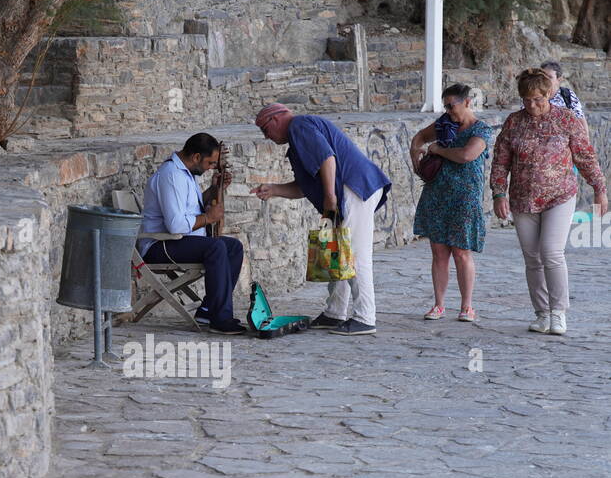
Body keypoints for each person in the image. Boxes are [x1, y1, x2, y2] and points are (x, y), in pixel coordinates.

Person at [251, 103, 391, 335]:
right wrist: (274, 189)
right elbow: (304, 186)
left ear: (276, 119)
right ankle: (334, 313)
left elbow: (327, 159)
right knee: (338, 253)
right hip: (349, 190)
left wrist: (330, 197)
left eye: (265, 130)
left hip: (352, 189)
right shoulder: (298, 139)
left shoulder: (300, 126)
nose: (267, 136)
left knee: (354, 254)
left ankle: (366, 317)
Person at [490, 68, 607, 335]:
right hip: (522, 198)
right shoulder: (513, 123)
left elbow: (585, 157)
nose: (532, 105)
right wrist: (498, 193)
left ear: (549, 94)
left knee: (551, 252)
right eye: (527, 100)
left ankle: (558, 312)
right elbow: (500, 161)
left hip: (559, 195)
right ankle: (542, 313)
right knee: (532, 258)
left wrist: (599, 188)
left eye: (538, 99)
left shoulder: (566, 120)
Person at [137, 133, 246, 334]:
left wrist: (213, 190)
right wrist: (208, 218)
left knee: (234, 247)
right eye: (210, 162)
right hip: (159, 246)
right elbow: (176, 225)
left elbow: (190, 209)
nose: (211, 167)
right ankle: (221, 318)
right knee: (216, 247)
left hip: (181, 242)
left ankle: (206, 310)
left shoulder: (186, 173)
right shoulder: (171, 175)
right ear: (196, 157)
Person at [410, 83, 493, 322]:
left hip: (465, 197)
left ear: (467, 102)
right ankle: (439, 305)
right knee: (438, 251)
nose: (447, 111)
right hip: (438, 193)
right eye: (445, 106)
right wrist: (415, 155)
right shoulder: (444, 125)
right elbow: (419, 137)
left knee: (461, 251)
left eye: (451, 105)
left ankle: (467, 306)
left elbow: (467, 155)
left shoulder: (482, 130)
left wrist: (437, 149)